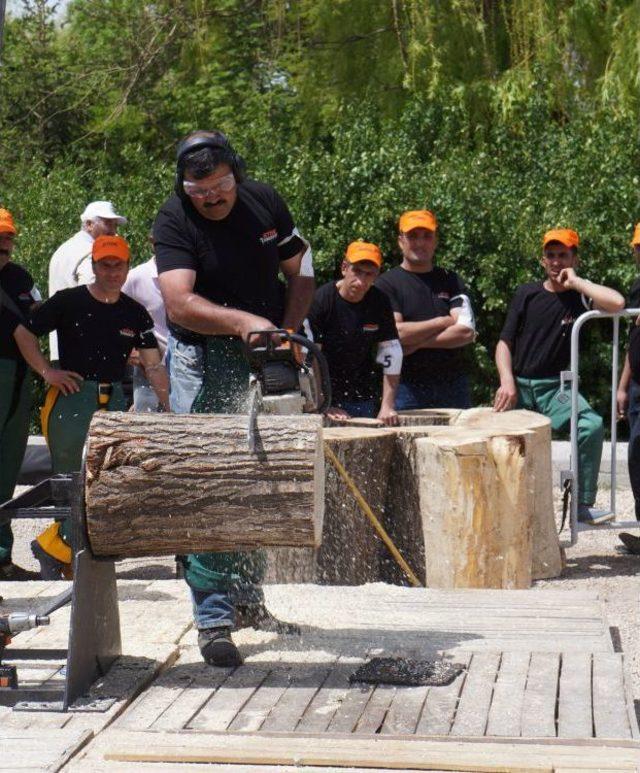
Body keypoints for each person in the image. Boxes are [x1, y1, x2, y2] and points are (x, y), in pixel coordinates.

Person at [154, 129, 314, 667]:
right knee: (211, 479)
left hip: (264, 349)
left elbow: (302, 271)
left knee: (257, 474)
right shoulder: (174, 220)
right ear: (185, 187)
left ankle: (249, 599)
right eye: (200, 190)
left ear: (235, 177)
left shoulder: (264, 200)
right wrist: (247, 322)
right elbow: (178, 303)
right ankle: (214, 616)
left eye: (220, 186)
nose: (213, 198)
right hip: (204, 357)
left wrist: (284, 335)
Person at [29, 235, 170, 579]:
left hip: (114, 402)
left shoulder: (133, 312)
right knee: (70, 478)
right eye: (104, 264)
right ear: (93, 266)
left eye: (117, 264)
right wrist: (47, 370)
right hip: (73, 396)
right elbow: (23, 330)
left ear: (126, 267)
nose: (111, 271)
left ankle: (64, 551)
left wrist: (169, 404)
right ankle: (60, 551)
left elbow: (152, 363)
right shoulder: (68, 302)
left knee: (105, 480)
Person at [494, 228, 625, 525]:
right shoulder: (526, 293)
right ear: (542, 260)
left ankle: (583, 503)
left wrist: (577, 281)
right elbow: (504, 343)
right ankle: (501, 512)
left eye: (563, 255)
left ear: (574, 258)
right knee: (496, 439)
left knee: (591, 425)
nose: (556, 261)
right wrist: (506, 380)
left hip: (557, 388)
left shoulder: (580, 297)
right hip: (520, 387)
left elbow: (616, 303)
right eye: (550, 255)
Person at [376, 210, 476, 410]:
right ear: (400, 241)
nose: (420, 243)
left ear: (435, 241)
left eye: (427, 236)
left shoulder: (451, 279)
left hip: (453, 386)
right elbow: (396, 333)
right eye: (412, 236)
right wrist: (442, 321)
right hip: (405, 387)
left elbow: (466, 332)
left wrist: (418, 343)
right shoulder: (386, 284)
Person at [308, 241, 401, 425]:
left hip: (363, 396)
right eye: (357, 271)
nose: (361, 281)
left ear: (376, 275)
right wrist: (323, 403)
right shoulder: (321, 301)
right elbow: (312, 358)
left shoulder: (379, 301)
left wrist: (387, 406)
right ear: (344, 268)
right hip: (326, 396)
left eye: (369, 274)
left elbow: (392, 352)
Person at [0, 208, 42, 579]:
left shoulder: (19, 277)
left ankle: (2, 556)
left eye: (8, 237)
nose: (3, 245)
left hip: (17, 376)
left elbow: (35, 317)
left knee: (7, 468)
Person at [48, 200, 126, 361]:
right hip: (89, 349)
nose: (113, 231)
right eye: (108, 224)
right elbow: (94, 300)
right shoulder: (90, 253)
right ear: (89, 224)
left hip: (62, 347)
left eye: (115, 225)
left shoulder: (63, 249)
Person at [122, 235, 168, 412]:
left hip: (186, 363)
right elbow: (115, 316)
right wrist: (131, 351)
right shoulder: (136, 278)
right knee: (146, 424)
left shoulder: (192, 272)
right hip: (148, 364)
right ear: (151, 242)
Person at [616, 224, 640, 552]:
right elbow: (635, 342)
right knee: (637, 454)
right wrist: (622, 386)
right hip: (638, 386)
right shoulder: (637, 286)